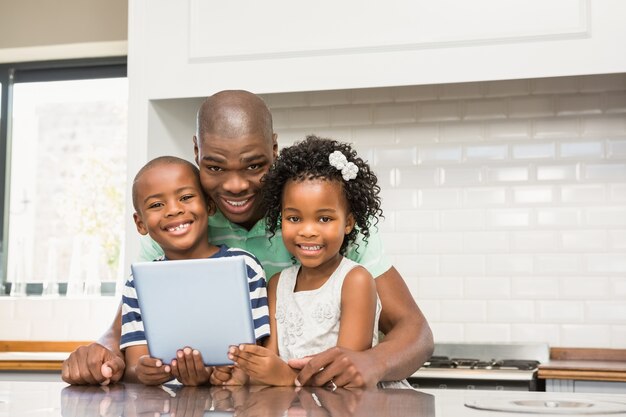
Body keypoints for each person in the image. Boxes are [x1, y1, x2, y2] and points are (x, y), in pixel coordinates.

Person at [61, 90, 434, 387]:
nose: (236, 185)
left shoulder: (323, 217)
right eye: (214, 167)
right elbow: (127, 325)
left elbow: (415, 331)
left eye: (254, 166)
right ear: (196, 152)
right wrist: (101, 353)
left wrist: (373, 361)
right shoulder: (182, 223)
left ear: (274, 148)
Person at [216, 136, 410, 388]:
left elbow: (344, 377)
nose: (308, 231)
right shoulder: (277, 284)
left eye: (324, 219)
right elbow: (271, 365)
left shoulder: (355, 281)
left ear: (348, 223)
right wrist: (244, 373)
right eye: (294, 219)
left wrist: (286, 377)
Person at [120, 156, 269, 385]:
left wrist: (218, 374)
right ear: (140, 223)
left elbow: (256, 357)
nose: (173, 210)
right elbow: (133, 365)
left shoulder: (245, 267)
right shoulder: (138, 283)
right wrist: (145, 372)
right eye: (156, 205)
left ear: (209, 205)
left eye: (186, 197)